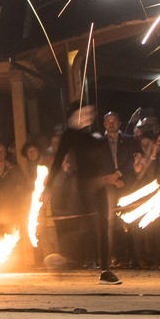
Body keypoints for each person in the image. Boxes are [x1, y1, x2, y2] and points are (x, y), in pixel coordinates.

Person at [48, 102, 125, 285]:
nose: (90, 115)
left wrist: (112, 176)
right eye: (85, 112)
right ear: (75, 115)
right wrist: (48, 186)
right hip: (84, 184)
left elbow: (101, 160)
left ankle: (105, 270)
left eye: (91, 112)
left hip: (100, 183)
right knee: (87, 226)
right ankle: (63, 259)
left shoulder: (92, 135)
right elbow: (58, 160)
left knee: (104, 226)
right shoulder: (70, 134)